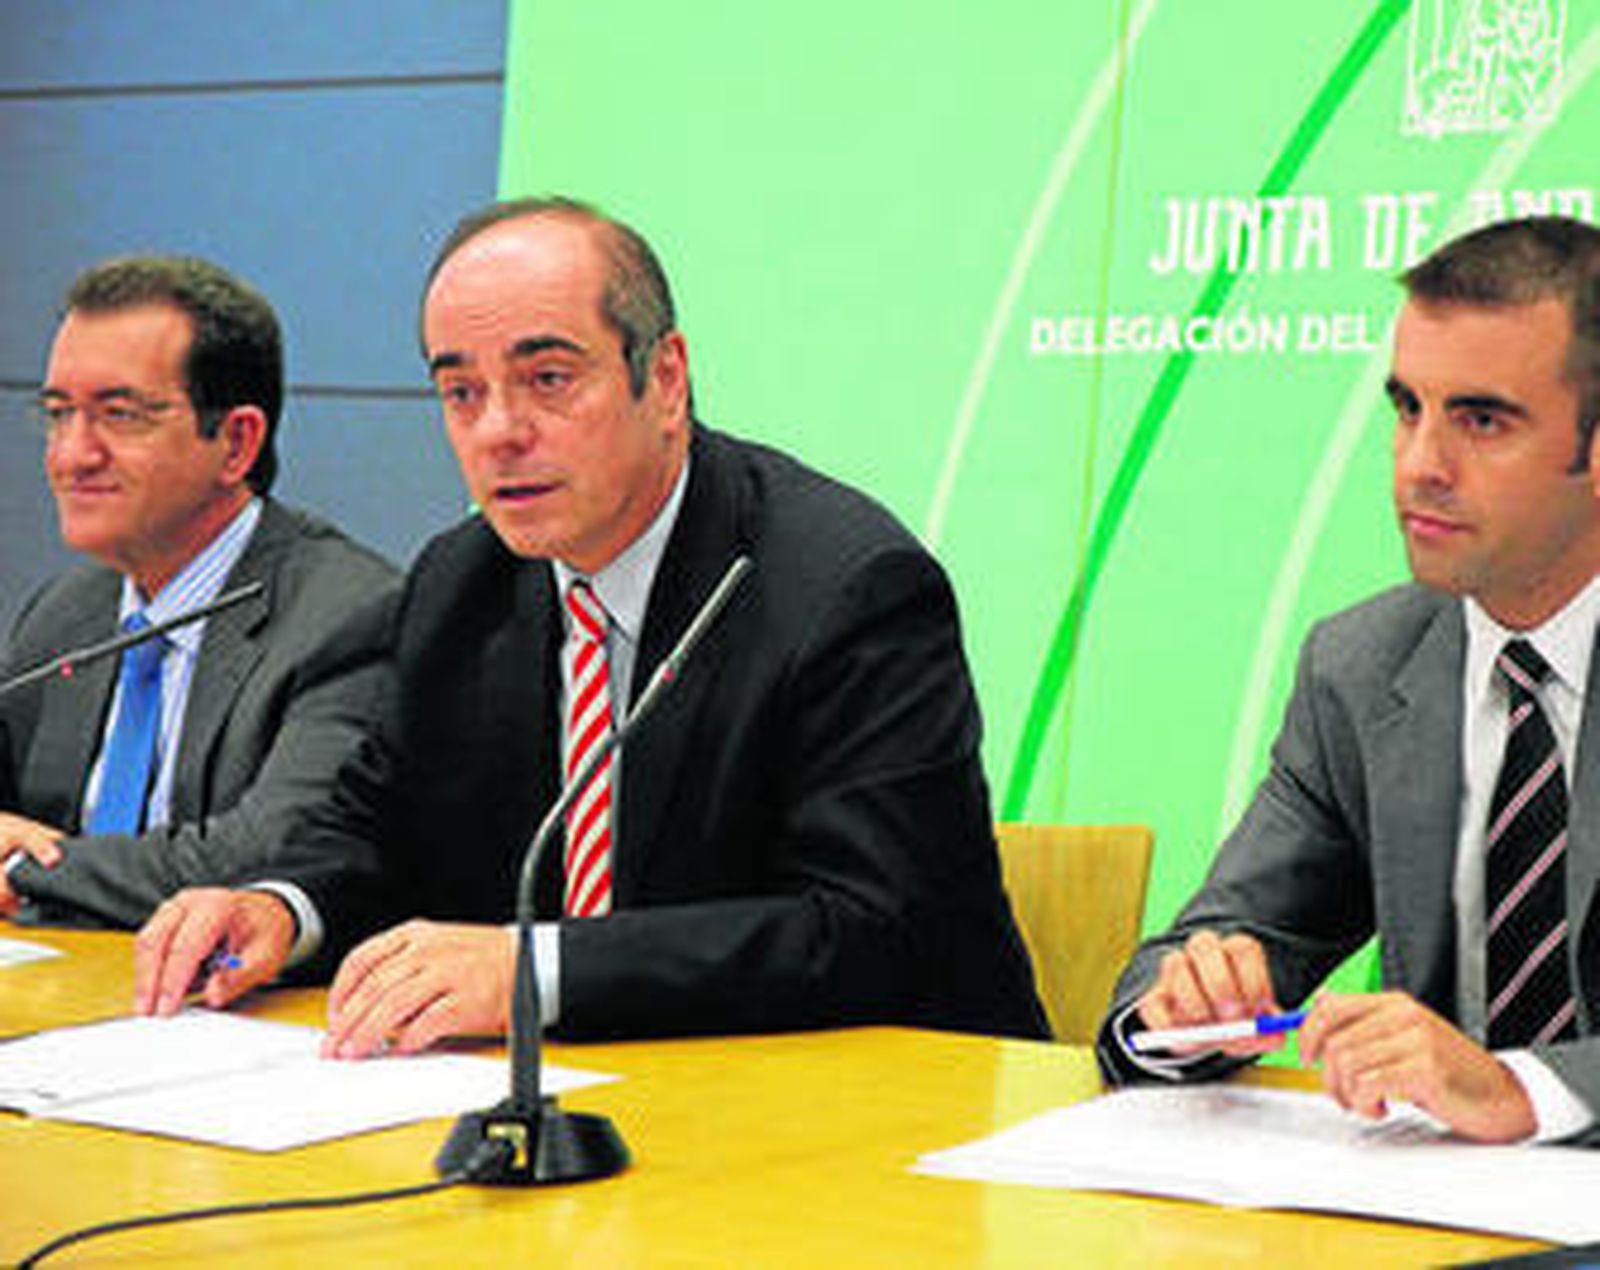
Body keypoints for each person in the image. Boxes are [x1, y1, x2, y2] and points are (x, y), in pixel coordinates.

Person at [134, 197, 1047, 1049]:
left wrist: (537, 972)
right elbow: (372, 828)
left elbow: (871, 930)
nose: (498, 430)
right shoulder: (461, 582)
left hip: (880, 1107)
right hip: (589, 1100)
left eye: (548, 379)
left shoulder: (845, 586)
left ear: (666, 380)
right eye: (462, 392)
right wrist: (281, 909)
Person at [1098, 215, 1600, 1144]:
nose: (1420, 466)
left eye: (1482, 421)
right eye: (1407, 409)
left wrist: (1521, 1092)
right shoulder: (1364, 666)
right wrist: (1190, 1007)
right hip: (1443, 1201)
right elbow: (1202, 952)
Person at [0, 256, 397, 929]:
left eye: (118, 415)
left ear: (237, 443)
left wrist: (25, 868)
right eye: (59, 414)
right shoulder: (66, 614)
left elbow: (267, 857)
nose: (71, 455)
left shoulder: (348, 613)